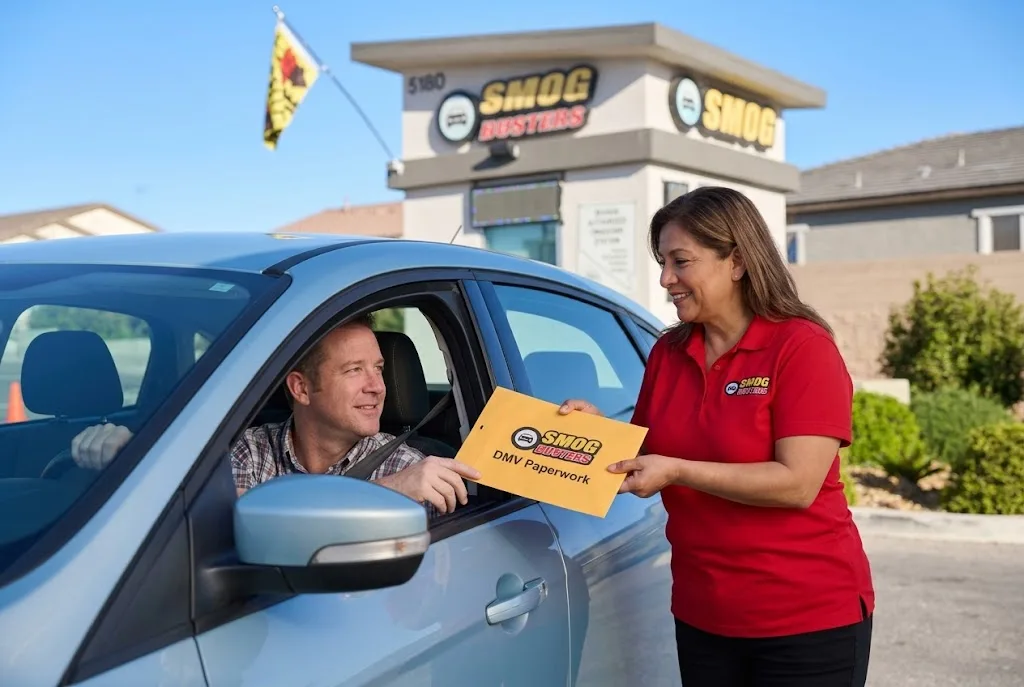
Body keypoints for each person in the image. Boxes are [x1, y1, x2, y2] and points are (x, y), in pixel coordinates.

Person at [560, 186, 874, 687]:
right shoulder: (669, 353)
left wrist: (679, 471)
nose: (666, 279)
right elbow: (650, 451)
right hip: (704, 613)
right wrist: (597, 432)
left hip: (806, 618)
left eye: (680, 261)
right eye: (662, 261)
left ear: (738, 261)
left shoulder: (801, 348)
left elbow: (797, 483)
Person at [68, 313, 479, 516]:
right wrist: (139, 458)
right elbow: (213, 509)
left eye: (378, 369)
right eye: (354, 371)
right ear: (300, 388)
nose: (376, 387)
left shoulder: (414, 470)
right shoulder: (251, 450)